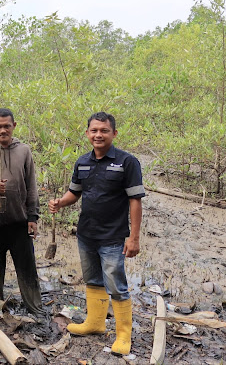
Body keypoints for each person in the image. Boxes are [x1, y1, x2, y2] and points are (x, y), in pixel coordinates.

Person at [48, 112, 144, 356]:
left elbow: (135, 200)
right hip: (86, 234)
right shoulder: (82, 162)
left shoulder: (127, 162)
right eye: (94, 130)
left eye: (104, 130)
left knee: (116, 285)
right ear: (87, 133)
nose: (98, 135)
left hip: (113, 236)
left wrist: (134, 237)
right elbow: (75, 193)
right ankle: (95, 323)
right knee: (92, 279)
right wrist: (60, 202)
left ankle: (123, 335)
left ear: (114, 133)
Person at [0, 108, 44, 315]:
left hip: (19, 221)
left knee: (27, 268)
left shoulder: (24, 151)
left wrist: (33, 217)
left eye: (7, 126)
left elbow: (31, 186)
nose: (3, 130)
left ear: (14, 126)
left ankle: (35, 308)